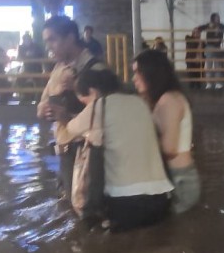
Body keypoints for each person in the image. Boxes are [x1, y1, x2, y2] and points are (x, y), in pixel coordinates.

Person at [66, 67, 173, 231]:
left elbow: (71, 129)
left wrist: (64, 116)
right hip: (160, 201)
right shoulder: (139, 102)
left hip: (125, 205)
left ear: (93, 92)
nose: (87, 107)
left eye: (84, 102)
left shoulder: (100, 104)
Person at [37, 16, 104, 201]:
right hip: (64, 148)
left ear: (70, 38)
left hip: (86, 152)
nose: (49, 46)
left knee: (83, 207)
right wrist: (44, 110)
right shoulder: (58, 68)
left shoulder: (95, 69)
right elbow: (42, 104)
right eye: (46, 41)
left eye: (53, 39)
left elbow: (105, 116)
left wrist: (68, 115)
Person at [132, 49, 201, 214]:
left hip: (179, 180)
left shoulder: (168, 100)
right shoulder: (168, 98)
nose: (134, 78)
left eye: (137, 72)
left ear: (151, 73)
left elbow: (169, 149)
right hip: (179, 178)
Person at [196, 13, 224, 89]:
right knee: (209, 65)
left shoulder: (220, 26)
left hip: (217, 47)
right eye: (216, 18)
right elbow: (199, 28)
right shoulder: (209, 25)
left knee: (218, 65)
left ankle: (218, 83)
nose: (218, 19)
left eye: (218, 18)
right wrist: (209, 27)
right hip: (210, 46)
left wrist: (219, 28)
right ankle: (208, 83)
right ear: (213, 19)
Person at [17, 32, 45, 103]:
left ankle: (39, 99)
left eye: (28, 39)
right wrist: (28, 56)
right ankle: (24, 97)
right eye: (25, 39)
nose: (26, 41)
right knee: (19, 81)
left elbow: (41, 55)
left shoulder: (36, 46)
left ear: (30, 39)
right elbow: (20, 57)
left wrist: (31, 56)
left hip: (37, 69)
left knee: (39, 85)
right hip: (27, 69)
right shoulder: (21, 47)